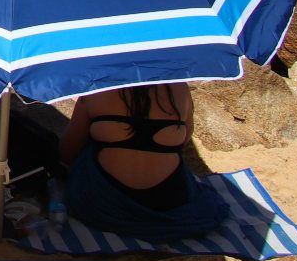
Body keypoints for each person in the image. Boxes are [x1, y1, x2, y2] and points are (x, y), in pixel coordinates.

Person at [57, 82, 224, 241]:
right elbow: (183, 140)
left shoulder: (95, 92)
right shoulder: (179, 89)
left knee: (91, 146)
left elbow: (67, 153)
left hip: (105, 204)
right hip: (171, 201)